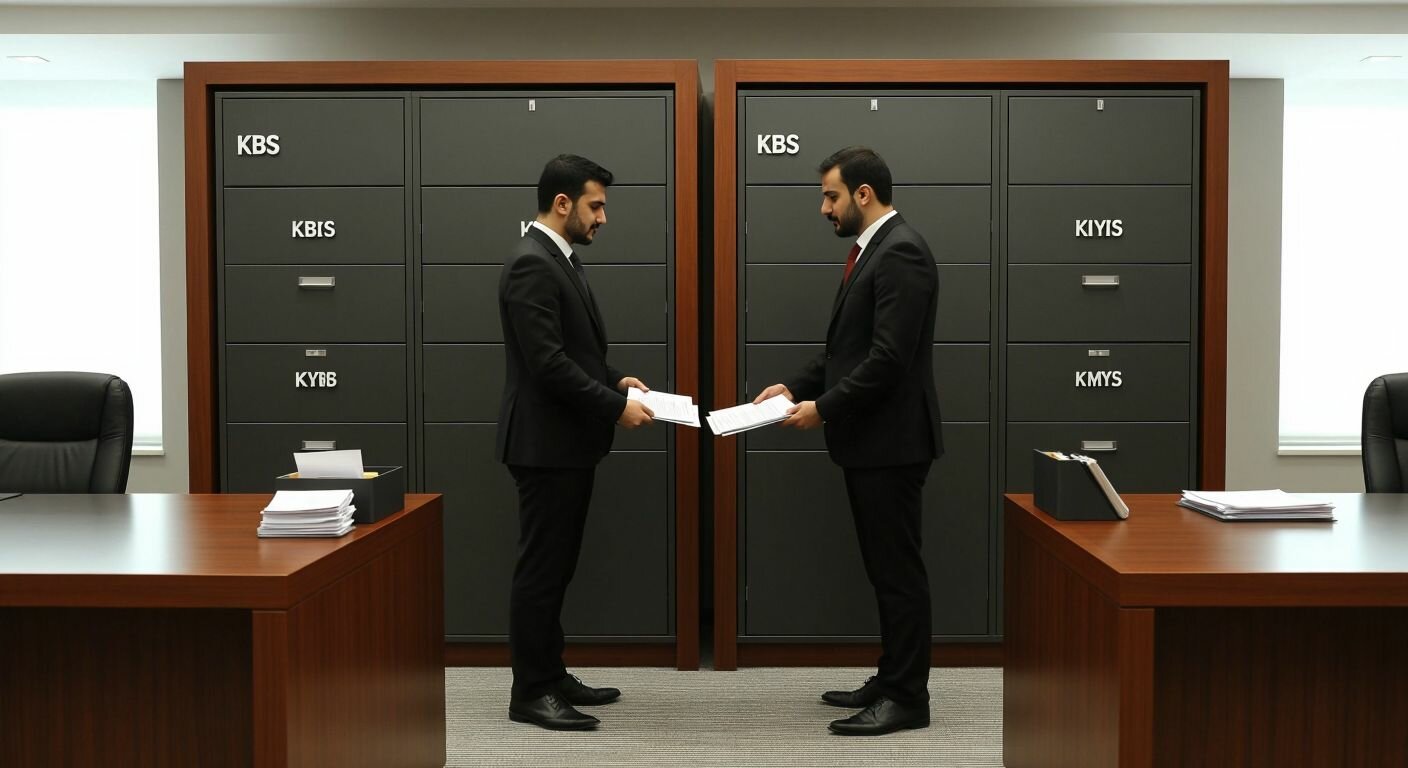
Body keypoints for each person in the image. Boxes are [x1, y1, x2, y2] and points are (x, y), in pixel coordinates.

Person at [753, 146, 943, 736]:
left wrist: (822, 410)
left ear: (864, 194)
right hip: (871, 444)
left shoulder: (902, 251)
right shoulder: (874, 252)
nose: (824, 208)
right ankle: (893, 676)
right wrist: (795, 386)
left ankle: (908, 697)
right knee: (884, 569)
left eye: (830, 196)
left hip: (892, 445)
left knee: (897, 572)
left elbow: (889, 359)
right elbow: (848, 352)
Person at [496, 153, 654, 731]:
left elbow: (574, 352)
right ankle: (530, 692)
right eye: (596, 206)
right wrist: (616, 408)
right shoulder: (531, 264)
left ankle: (551, 672)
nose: (603, 218)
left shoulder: (556, 259)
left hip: (566, 444)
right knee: (541, 570)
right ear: (562, 204)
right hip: (545, 446)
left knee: (556, 568)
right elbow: (548, 365)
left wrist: (615, 380)